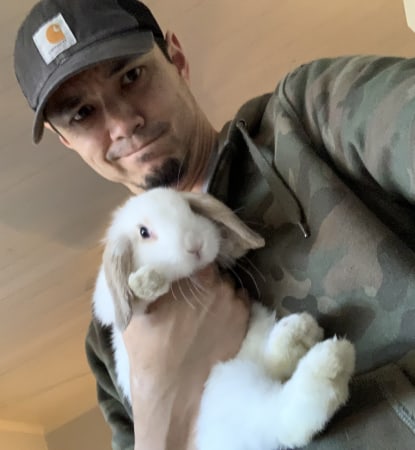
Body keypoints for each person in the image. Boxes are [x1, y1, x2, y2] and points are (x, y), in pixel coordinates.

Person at [14, 1, 415, 449]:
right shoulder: (110, 341)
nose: (123, 123)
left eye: (131, 76)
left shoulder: (309, 117)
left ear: (177, 59)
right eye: (82, 114)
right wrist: (159, 395)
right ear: (66, 141)